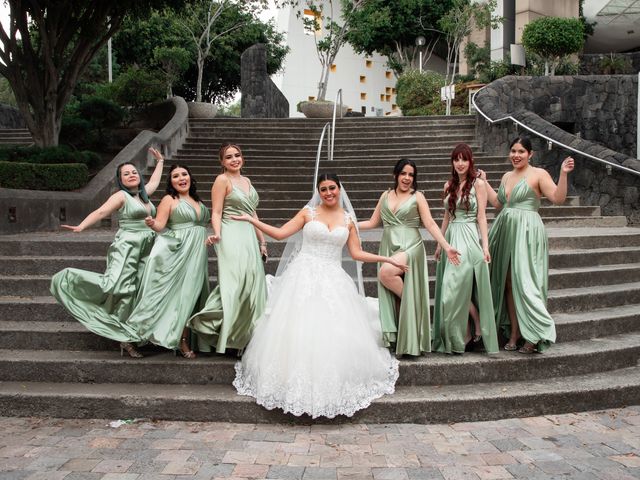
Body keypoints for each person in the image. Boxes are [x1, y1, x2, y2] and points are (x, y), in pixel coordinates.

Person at [231, 173, 405, 419]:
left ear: (339, 188)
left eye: (332, 188)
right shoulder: (308, 213)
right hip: (302, 276)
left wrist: (385, 258)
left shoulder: (348, 219)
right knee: (298, 330)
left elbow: (356, 253)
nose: (328, 193)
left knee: (332, 331)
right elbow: (280, 234)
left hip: (333, 278)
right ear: (318, 191)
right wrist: (251, 220)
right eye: (323, 189)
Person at [50, 148, 165, 358]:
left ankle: (127, 335)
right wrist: (82, 226)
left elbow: (155, 183)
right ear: (121, 180)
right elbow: (102, 211)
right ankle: (71, 280)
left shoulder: (144, 195)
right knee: (118, 287)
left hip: (147, 247)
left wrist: (160, 162)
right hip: (127, 247)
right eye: (126, 174)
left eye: (134, 172)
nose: (131, 175)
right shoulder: (121, 196)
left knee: (138, 289)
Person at [358, 158, 460, 357]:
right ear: (395, 174)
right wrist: (349, 223)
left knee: (385, 273)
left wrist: (445, 246)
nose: (407, 178)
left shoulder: (418, 196)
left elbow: (430, 223)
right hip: (389, 245)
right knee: (394, 291)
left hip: (411, 246)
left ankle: (414, 311)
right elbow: (372, 222)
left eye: (411, 175)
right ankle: (405, 335)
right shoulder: (385, 195)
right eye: (403, 173)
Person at [481, 136, 574, 354]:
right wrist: (485, 182)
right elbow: (497, 203)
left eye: (521, 151)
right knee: (508, 284)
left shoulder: (538, 174)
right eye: (513, 151)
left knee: (526, 282)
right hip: (504, 231)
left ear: (530, 154)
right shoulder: (506, 176)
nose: (516, 155)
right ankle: (514, 333)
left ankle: (534, 332)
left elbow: (557, 198)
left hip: (527, 232)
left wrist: (562, 174)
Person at [124, 164, 211, 358]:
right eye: (175, 176)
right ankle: (176, 341)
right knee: (178, 296)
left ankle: (183, 338)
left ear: (190, 177)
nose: (181, 178)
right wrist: (151, 223)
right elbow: (160, 225)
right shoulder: (169, 199)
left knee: (191, 296)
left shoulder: (197, 200)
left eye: (184, 174)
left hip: (197, 254)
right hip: (178, 252)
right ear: (170, 182)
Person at [188, 144, 267, 354]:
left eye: (237, 155)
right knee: (235, 284)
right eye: (229, 157)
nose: (234, 159)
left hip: (249, 234)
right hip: (230, 234)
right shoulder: (222, 180)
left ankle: (244, 338)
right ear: (222, 162)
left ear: (243, 158)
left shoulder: (247, 181)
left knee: (252, 284)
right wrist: (217, 233)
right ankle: (209, 325)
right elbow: (216, 211)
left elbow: (253, 214)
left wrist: (263, 241)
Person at [432, 144, 498, 355]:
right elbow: (445, 217)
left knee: (455, 287)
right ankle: (467, 331)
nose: (460, 163)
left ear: (470, 162)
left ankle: (474, 326)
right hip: (451, 237)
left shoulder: (478, 184)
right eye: (456, 159)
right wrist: (440, 244)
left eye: (464, 159)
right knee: (451, 289)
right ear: (452, 162)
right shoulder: (448, 185)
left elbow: (481, 217)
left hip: (468, 238)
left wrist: (485, 245)